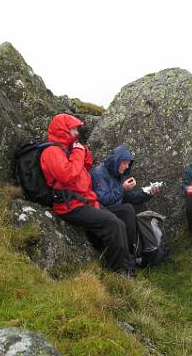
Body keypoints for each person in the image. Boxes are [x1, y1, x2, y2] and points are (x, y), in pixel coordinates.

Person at [40, 114, 136, 277]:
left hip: (84, 201)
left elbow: (85, 167)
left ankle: (128, 263)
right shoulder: (51, 151)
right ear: (63, 129)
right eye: (73, 129)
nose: (77, 132)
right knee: (113, 223)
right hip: (69, 206)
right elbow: (68, 175)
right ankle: (120, 272)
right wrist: (78, 152)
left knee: (120, 220)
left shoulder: (67, 150)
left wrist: (83, 152)